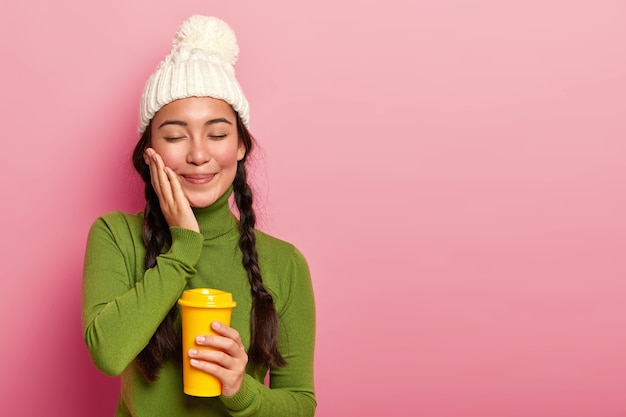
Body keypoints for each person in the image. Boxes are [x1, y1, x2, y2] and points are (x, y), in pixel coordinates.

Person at [82, 15, 316, 417]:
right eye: (174, 136)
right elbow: (108, 352)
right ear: (148, 150)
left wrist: (241, 391)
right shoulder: (115, 236)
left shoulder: (284, 264)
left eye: (218, 134)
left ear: (241, 145)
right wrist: (184, 246)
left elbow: (300, 403)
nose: (198, 154)